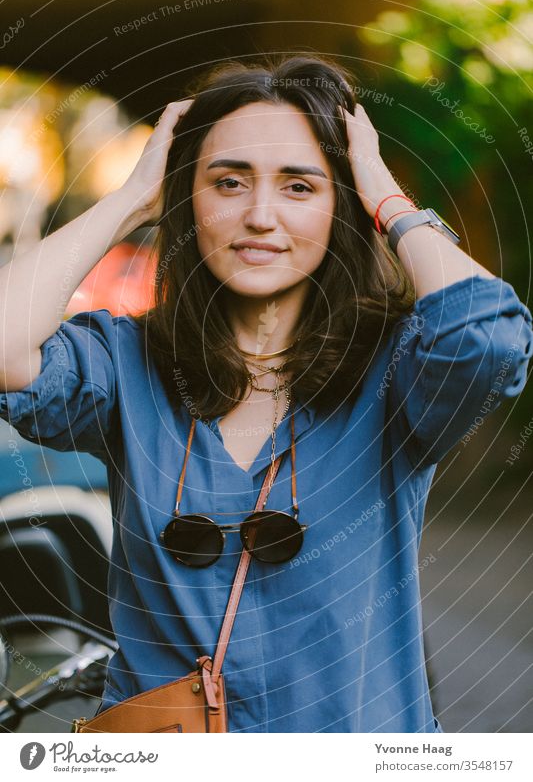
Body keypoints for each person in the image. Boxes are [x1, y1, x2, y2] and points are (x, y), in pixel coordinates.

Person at [0, 54, 531, 734]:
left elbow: (485, 334)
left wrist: (384, 194)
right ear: (186, 196)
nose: (259, 214)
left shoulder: (397, 372)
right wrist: (131, 197)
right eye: (227, 181)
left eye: (299, 186)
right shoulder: (122, 362)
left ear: (341, 203)